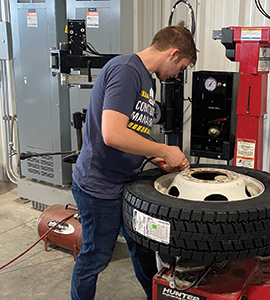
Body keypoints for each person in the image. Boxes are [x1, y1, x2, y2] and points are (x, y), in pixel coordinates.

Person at [70, 22, 197, 300]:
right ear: (173, 54)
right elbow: (112, 134)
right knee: (96, 257)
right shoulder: (127, 71)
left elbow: (132, 133)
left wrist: (156, 158)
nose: (177, 74)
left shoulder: (145, 79)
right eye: (181, 66)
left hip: (125, 184)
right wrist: (163, 149)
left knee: (143, 251)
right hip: (99, 187)